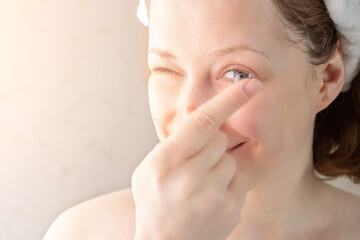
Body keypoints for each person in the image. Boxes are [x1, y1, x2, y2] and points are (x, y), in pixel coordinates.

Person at [43, 0, 360, 239]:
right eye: (167, 70)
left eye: (237, 73)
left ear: (327, 79)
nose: (188, 111)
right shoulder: (83, 232)